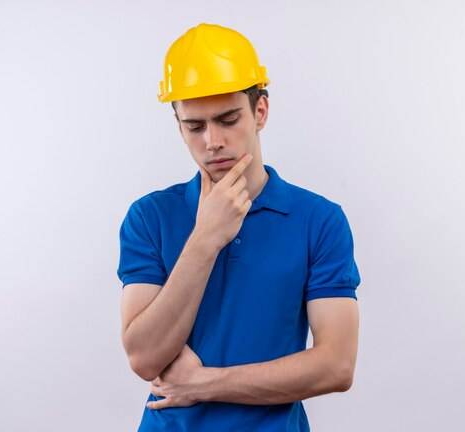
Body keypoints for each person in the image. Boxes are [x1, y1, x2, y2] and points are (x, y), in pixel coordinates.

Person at [117, 23, 361, 432]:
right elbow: (144, 358)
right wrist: (206, 238)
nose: (212, 141)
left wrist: (204, 384)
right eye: (194, 127)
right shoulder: (149, 217)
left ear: (260, 111)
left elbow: (336, 366)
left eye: (228, 119)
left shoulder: (319, 220)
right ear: (179, 126)